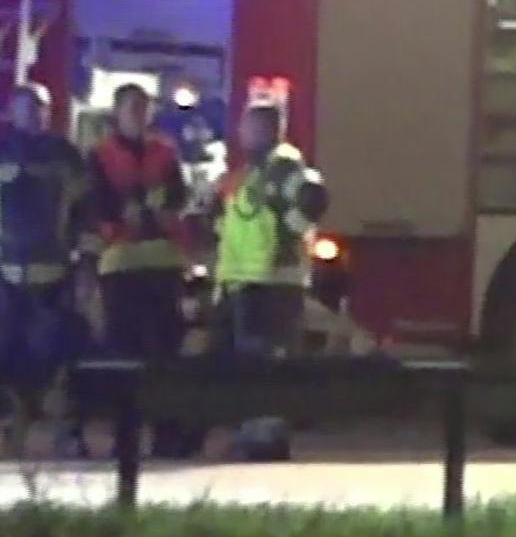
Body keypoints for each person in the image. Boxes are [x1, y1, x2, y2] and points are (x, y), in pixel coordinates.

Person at [86, 84, 198, 458]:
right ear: (116, 112)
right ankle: (126, 436)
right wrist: (132, 210)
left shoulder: (165, 152)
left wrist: (147, 208)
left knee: (164, 351)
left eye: (143, 107)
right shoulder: (100, 155)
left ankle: (167, 433)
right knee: (125, 353)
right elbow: (98, 203)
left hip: (163, 262)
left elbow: (178, 196)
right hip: (121, 262)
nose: (138, 113)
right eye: (132, 107)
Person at [210, 100, 327, 460]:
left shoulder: (283, 167)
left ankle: (265, 440)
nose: (241, 133)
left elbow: (313, 199)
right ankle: (254, 435)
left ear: (266, 129)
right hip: (248, 280)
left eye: (248, 126)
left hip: (270, 282)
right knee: (250, 363)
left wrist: (286, 240)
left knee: (266, 364)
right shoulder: (257, 171)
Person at [0, 84, 90, 455]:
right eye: (28, 107)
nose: (36, 114)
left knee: (53, 352)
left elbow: (86, 213)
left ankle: (60, 432)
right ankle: (13, 427)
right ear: (12, 111)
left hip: (53, 273)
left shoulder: (66, 156)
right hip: (6, 273)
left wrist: (85, 263)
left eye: (42, 107)